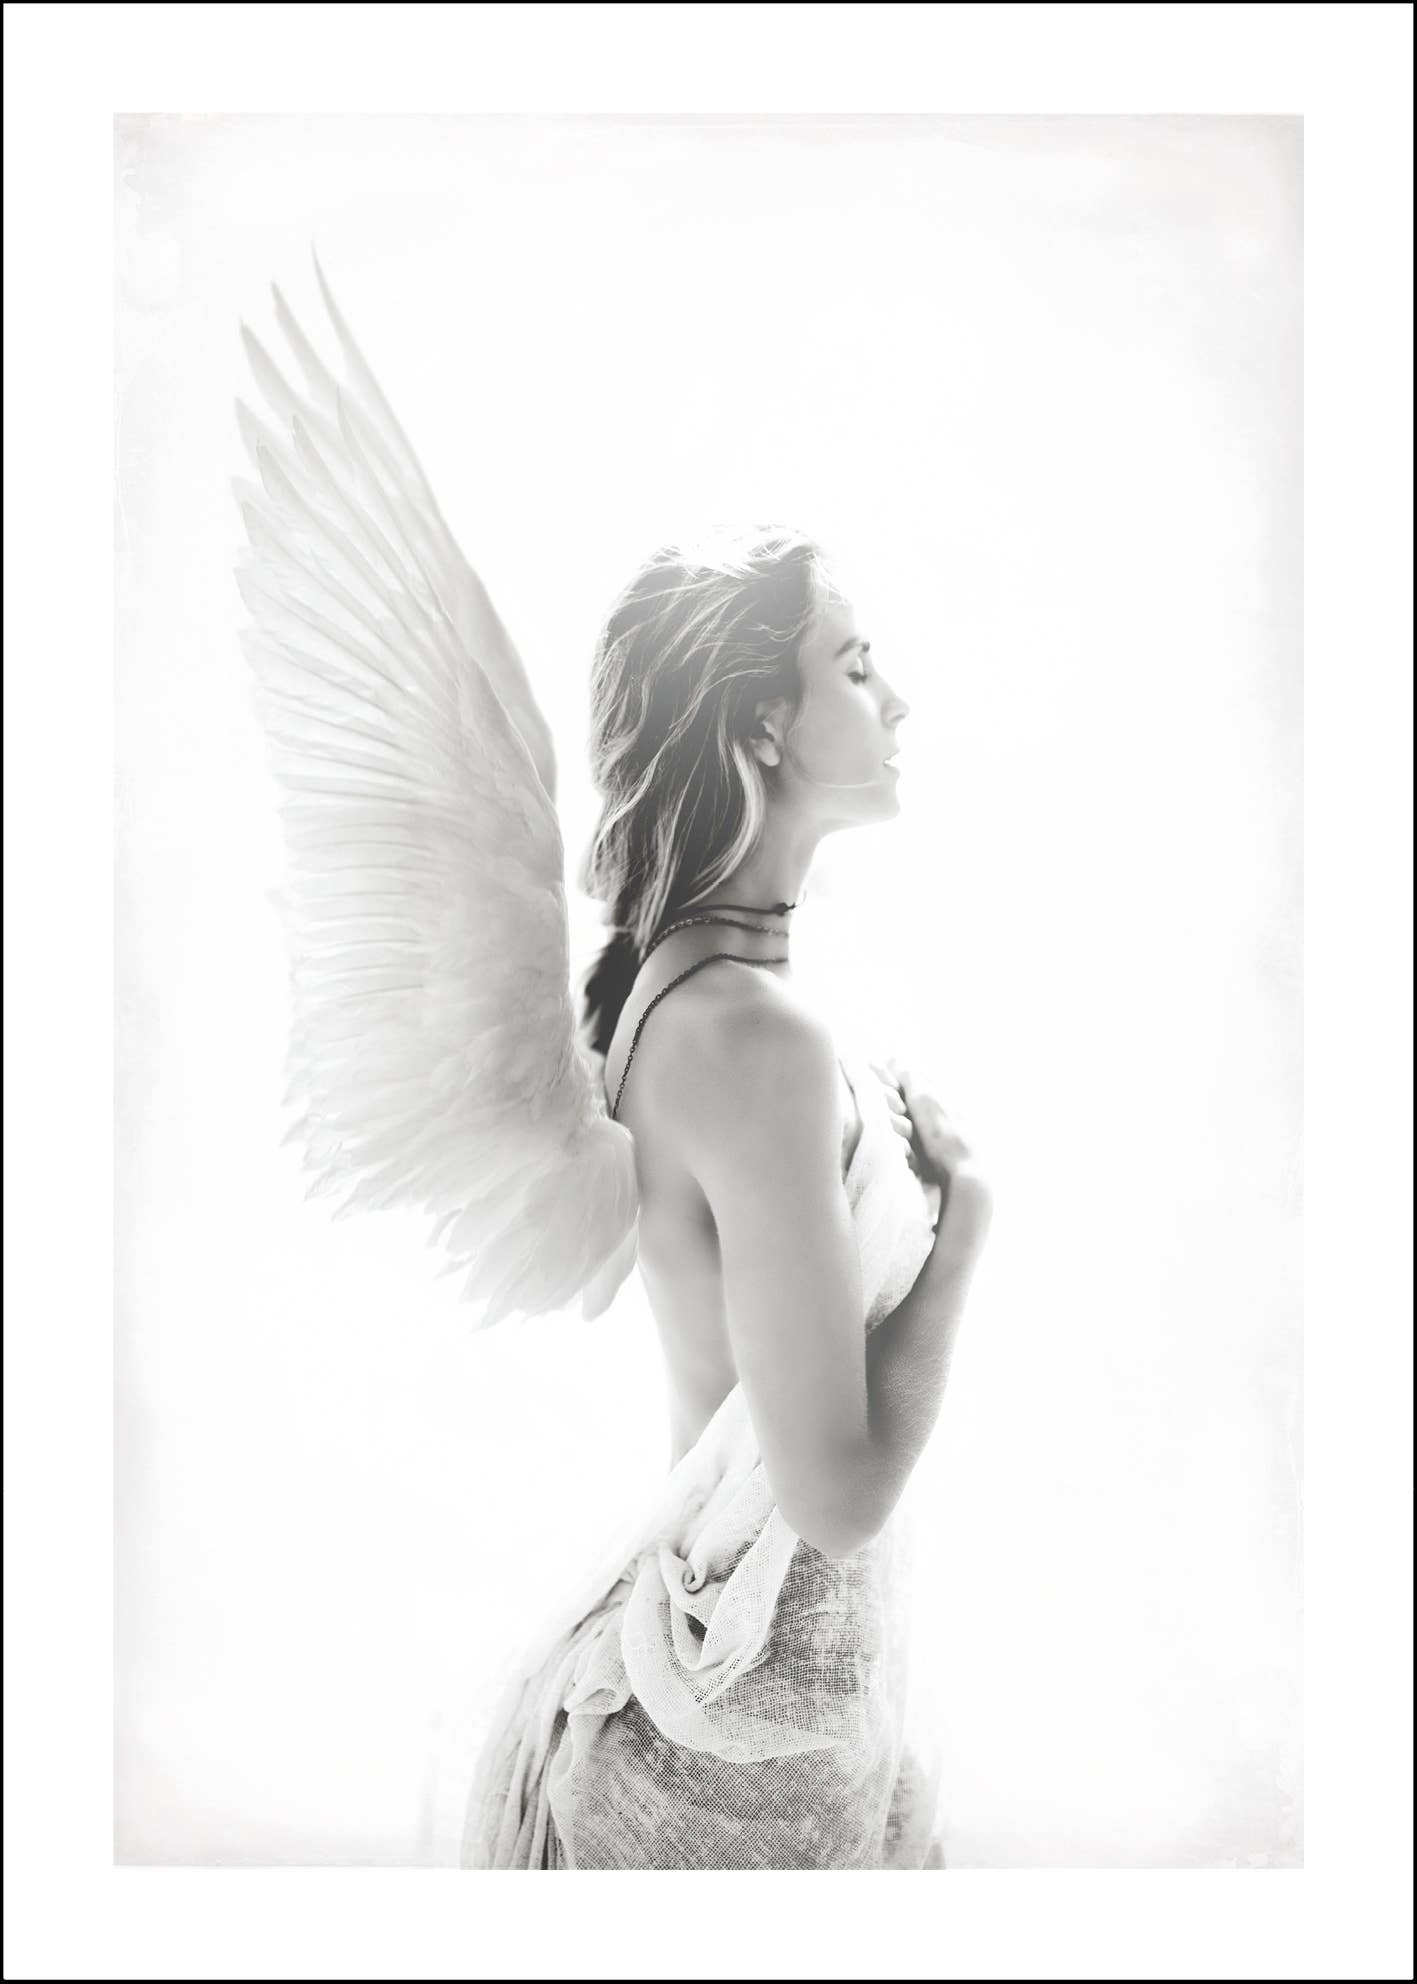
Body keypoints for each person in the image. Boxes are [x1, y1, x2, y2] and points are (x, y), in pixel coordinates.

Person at [460, 525, 992, 1870]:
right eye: (856, 668)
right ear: (761, 724)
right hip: (738, 1752)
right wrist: (964, 1233)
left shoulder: (668, 993)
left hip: (746, 1706)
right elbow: (836, 1500)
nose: (896, 702)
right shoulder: (752, 1038)